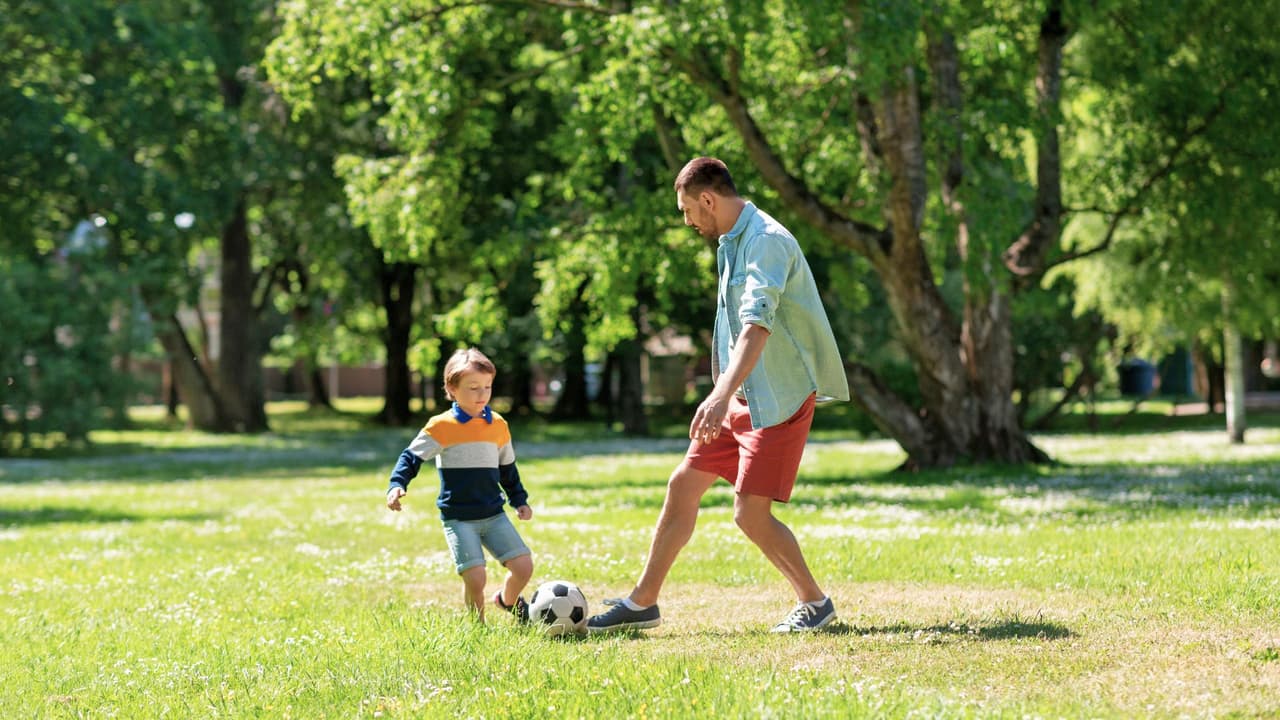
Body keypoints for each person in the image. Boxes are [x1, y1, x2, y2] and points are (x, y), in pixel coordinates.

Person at [587, 157, 850, 634]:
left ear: (708, 199)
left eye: (688, 210)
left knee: (749, 514)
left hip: (777, 398)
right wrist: (725, 394)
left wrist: (718, 394)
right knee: (682, 485)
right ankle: (643, 602)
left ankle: (815, 603)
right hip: (738, 395)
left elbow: (757, 325)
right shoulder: (732, 240)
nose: (688, 221)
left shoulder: (767, 242)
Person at [385, 347, 534, 623]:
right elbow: (411, 457)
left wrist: (519, 500)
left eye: (487, 387)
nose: (482, 394)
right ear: (452, 388)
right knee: (476, 577)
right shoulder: (441, 426)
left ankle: (507, 601)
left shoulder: (498, 425)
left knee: (524, 566)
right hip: (459, 517)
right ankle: (478, 627)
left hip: (493, 513)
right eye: (473, 387)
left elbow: (507, 469)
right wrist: (397, 483)